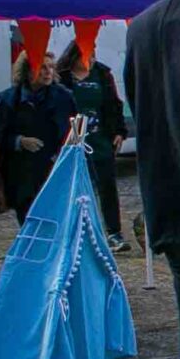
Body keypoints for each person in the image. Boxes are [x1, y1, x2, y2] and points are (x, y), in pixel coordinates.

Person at [52, 39, 130, 246]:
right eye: (87, 54)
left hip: (100, 136)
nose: (91, 58)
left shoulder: (102, 75)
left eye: (93, 54)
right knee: (78, 186)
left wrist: (119, 131)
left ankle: (114, 232)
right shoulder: (64, 79)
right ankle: (77, 230)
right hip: (75, 135)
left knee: (107, 186)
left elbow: (114, 104)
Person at [0, 52, 73, 224]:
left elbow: (72, 134)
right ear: (28, 70)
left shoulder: (63, 98)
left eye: (51, 67)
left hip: (53, 174)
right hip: (22, 177)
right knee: (28, 224)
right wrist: (19, 141)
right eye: (42, 67)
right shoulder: (8, 99)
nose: (48, 72)